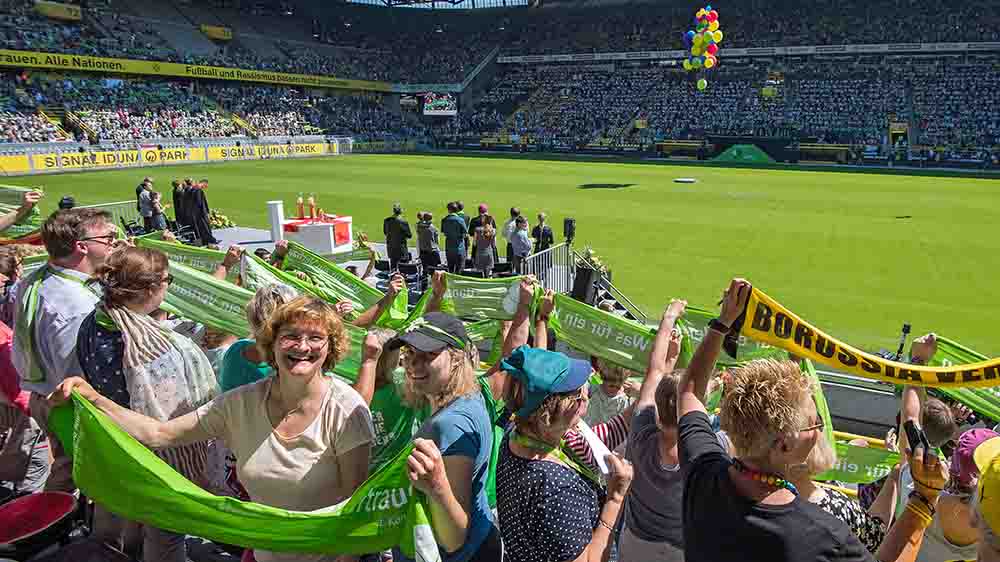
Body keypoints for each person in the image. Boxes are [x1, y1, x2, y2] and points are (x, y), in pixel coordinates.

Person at [51, 295, 376, 562]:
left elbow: (355, 509)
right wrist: (93, 398)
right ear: (272, 343)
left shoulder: (348, 410)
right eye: (290, 335)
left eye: (315, 338)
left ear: (330, 348)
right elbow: (158, 434)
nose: (302, 347)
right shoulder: (238, 404)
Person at [677, 278, 947, 562]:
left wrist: (723, 322)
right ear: (783, 445)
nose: (820, 429)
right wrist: (923, 501)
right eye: (814, 423)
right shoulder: (823, 536)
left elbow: (690, 392)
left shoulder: (703, 474)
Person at [75, 246, 218, 562]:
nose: (169, 285)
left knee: (138, 517)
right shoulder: (144, 346)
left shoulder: (95, 320)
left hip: (115, 439)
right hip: (155, 447)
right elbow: (172, 407)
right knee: (167, 529)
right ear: (151, 288)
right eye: (169, 279)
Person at [496, 345, 634, 562]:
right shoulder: (556, 488)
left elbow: (615, 428)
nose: (586, 398)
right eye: (578, 394)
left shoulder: (516, 433)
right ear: (548, 414)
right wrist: (615, 498)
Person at [13, 207, 117, 493]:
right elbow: (79, 372)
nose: (114, 243)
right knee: (81, 473)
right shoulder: (77, 305)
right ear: (82, 246)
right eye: (108, 237)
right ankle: (50, 531)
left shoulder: (36, 278)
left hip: (42, 393)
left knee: (67, 469)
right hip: (68, 402)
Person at [387, 312, 501, 562]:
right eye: (410, 354)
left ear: (457, 359)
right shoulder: (469, 395)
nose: (415, 365)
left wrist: (435, 485)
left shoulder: (451, 424)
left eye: (428, 355)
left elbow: (454, 539)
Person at [619, 300, 686, 562]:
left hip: (636, 545)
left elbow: (655, 370)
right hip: (682, 551)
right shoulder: (706, 448)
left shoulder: (640, 429)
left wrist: (669, 316)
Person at [785, 426, 896, 554]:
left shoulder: (761, 499)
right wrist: (895, 475)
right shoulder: (836, 507)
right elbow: (875, 534)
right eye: (818, 425)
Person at [584, 358, 637, 427]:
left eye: (618, 386)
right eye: (611, 385)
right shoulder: (595, 384)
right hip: (589, 431)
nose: (614, 389)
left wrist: (639, 392)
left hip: (611, 435)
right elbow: (585, 381)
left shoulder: (628, 396)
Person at [187, 179, 218, 246]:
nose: (206, 187)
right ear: (204, 184)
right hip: (200, 213)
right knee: (205, 228)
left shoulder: (193, 189)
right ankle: (210, 241)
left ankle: (206, 240)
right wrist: (205, 213)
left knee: (201, 228)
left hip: (195, 213)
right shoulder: (198, 190)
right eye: (206, 186)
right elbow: (200, 203)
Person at [383, 203, 412, 271]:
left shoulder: (387, 220)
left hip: (391, 247)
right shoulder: (403, 222)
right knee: (403, 268)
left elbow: (385, 232)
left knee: (393, 267)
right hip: (401, 248)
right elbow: (409, 235)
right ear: (401, 212)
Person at [441, 202, 468, 274]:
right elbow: (465, 233)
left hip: (449, 248)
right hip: (459, 248)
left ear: (449, 210)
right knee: (459, 270)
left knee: (450, 269)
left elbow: (444, 232)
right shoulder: (460, 220)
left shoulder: (444, 220)